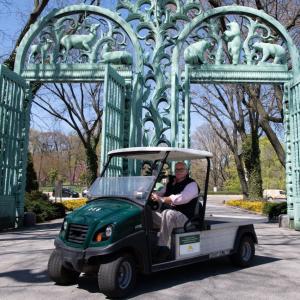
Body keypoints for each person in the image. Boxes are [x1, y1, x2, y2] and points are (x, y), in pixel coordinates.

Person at [151, 161, 199, 261]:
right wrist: (152, 194)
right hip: (169, 216)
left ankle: (164, 247)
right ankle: (147, 242)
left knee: (167, 213)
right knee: (146, 212)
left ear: (187, 171)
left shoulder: (192, 184)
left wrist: (162, 199)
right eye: (176, 169)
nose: (178, 171)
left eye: (181, 169)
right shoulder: (171, 182)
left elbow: (181, 198)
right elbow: (161, 192)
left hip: (184, 217)